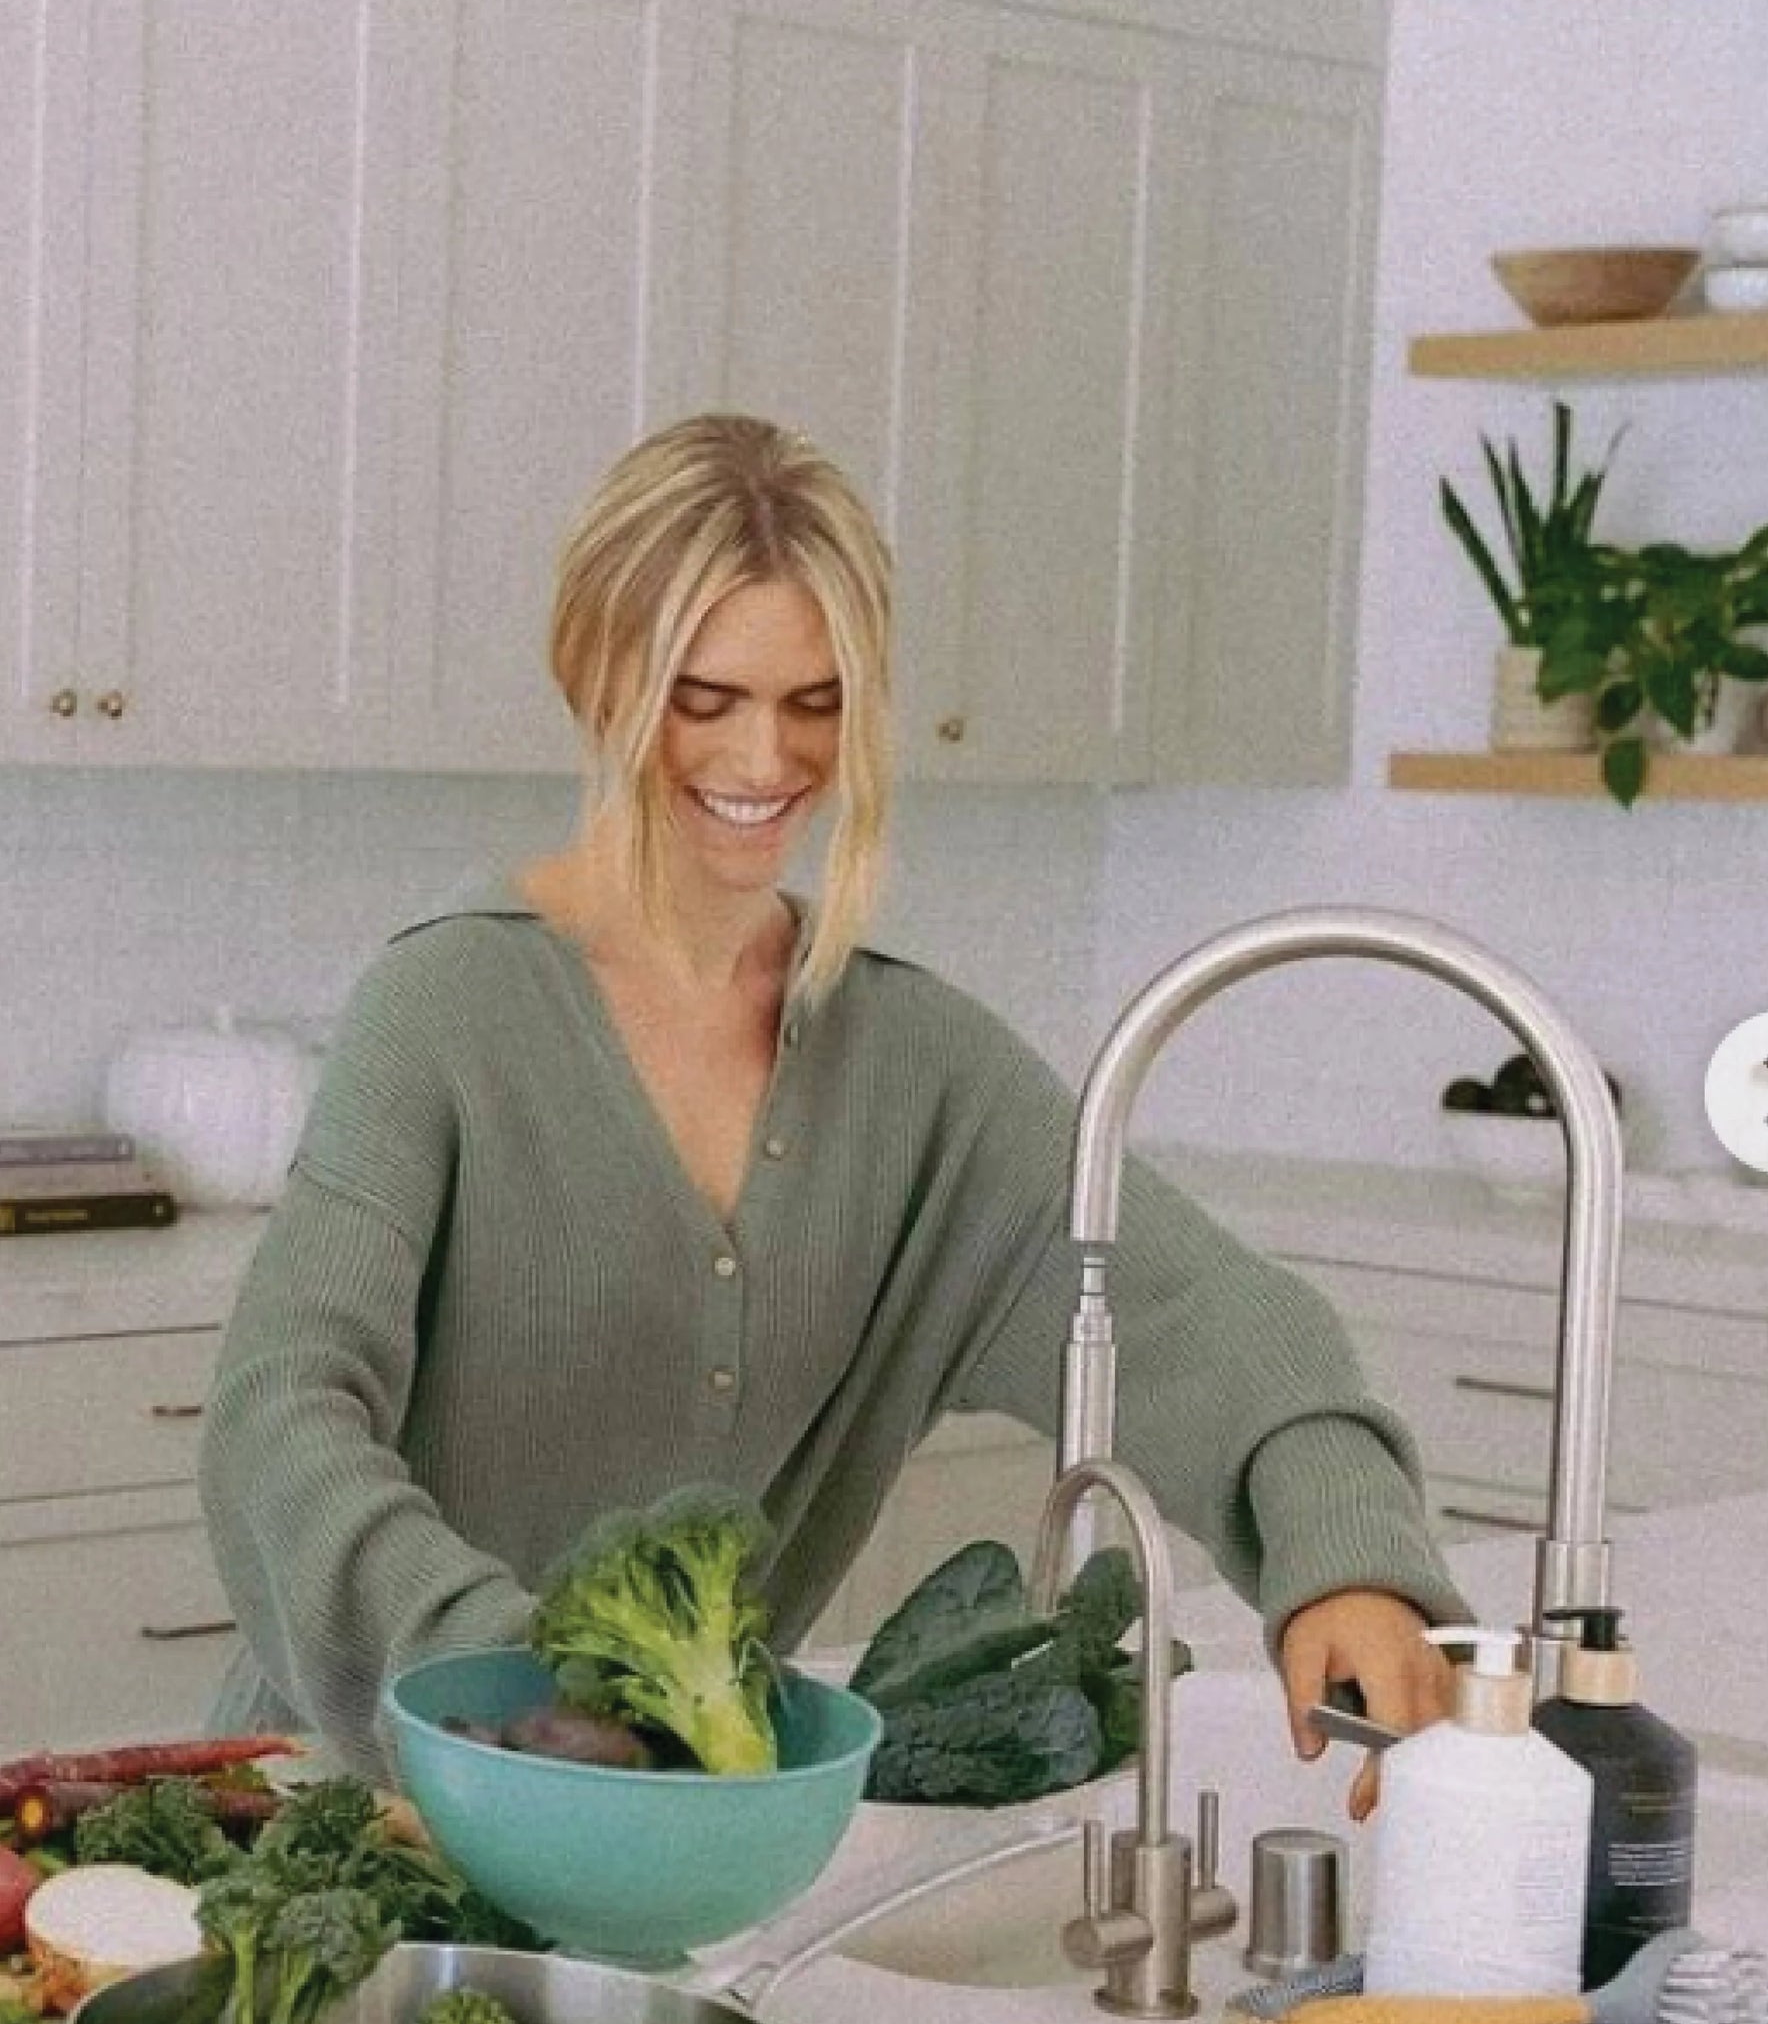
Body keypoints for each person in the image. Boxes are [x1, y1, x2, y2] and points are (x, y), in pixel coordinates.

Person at [198, 413, 1467, 1802]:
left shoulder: (912, 1065)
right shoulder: (445, 1008)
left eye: (816, 700)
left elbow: (1202, 1318)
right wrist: (510, 1679)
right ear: (596, 675)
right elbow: (281, 1412)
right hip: (343, 1808)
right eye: (707, 697)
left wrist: (1344, 1556)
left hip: (676, 1829)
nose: (766, 760)